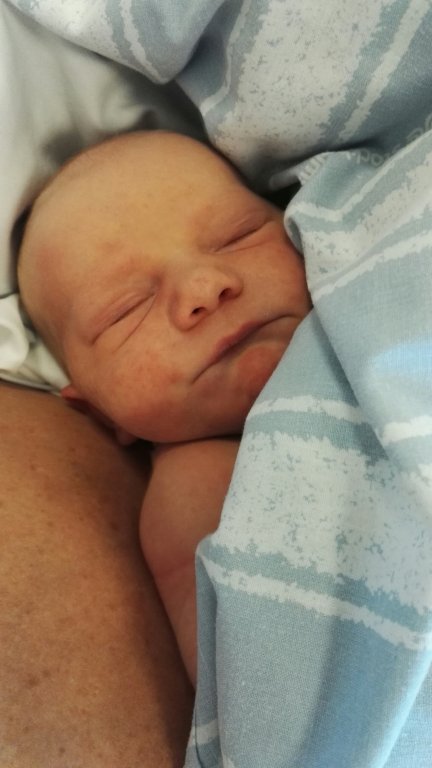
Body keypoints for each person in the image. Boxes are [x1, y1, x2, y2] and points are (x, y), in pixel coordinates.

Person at [17, 129, 312, 685]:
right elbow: (255, 682)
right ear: (99, 411)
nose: (204, 286)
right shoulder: (195, 486)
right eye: (127, 309)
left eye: (237, 236)